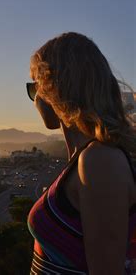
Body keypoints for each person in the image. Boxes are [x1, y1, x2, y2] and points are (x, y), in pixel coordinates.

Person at [26, 32, 136, 274]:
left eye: (34, 87)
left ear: (53, 88)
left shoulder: (100, 161)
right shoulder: (85, 159)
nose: (34, 100)